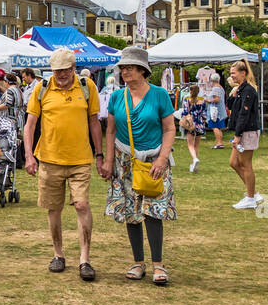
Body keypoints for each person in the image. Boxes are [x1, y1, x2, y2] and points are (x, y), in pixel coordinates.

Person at [24, 47, 103, 281]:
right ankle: (58, 254)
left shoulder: (88, 87)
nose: (61, 75)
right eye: (57, 70)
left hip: (80, 159)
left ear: (74, 68)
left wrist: (100, 155)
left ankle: (85, 259)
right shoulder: (42, 88)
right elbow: (29, 126)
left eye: (65, 70)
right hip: (49, 159)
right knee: (53, 208)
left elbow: (94, 123)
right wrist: (29, 156)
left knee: (81, 205)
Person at [100, 47, 177, 285]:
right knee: (130, 212)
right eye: (122, 67)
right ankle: (137, 262)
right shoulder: (116, 97)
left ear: (143, 71)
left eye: (129, 67)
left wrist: (163, 158)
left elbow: (169, 128)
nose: (124, 71)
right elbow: (110, 131)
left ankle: (158, 265)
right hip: (124, 160)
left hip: (154, 159)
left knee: (153, 210)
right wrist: (109, 160)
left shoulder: (159, 94)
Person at [226, 59, 262, 209]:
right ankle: (253, 192)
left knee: (246, 164)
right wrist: (233, 94)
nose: (231, 76)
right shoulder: (240, 89)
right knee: (233, 163)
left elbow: (243, 114)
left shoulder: (248, 90)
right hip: (241, 131)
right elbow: (229, 105)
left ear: (243, 73)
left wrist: (238, 135)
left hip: (247, 131)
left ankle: (250, 198)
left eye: (233, 73)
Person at [178, 83, 208, 173]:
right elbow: (204, 113)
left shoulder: (188, 101)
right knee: (196, 145)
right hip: (200, 124)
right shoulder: (202, 101)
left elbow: (185, 112)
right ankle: (194, 163)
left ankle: (195, 159)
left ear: (190, 91)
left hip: (191, 124)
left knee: (190, 144)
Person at [204, 72, 227, 148]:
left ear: (212, 80)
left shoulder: (215, 88)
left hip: (215, 111)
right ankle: (220, 143)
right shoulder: (221, 88)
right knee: (218, 127)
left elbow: (217, 99)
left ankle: (219, 143)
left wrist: (208, 100)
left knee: (215, 127)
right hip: (220, 111)